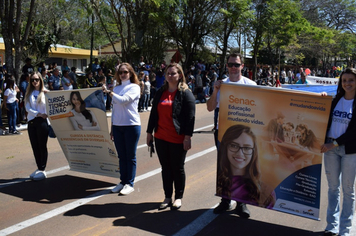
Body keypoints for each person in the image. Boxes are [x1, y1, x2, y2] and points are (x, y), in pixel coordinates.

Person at [207, 52, 256, 217]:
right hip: (224, 134)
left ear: (242, 66)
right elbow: (210, 107)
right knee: (224, 168)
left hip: (244, 135)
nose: (233, 67)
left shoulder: (251, 85)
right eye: (230, 64)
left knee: (243, 167)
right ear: (227, 66)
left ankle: (242, 203)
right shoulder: (221, 85)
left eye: (236, 64)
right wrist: (215, 90)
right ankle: (225, 200)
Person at [146, 63, 195, 211]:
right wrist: (149, 133)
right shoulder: (160, 92)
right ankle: (167, 196)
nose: (170, 76)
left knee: (177, 168)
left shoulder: (186, 93)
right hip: (161, 137)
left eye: (173, 73)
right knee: (165, 168)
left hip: (177, 138)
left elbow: (190, 117)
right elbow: (153, 114)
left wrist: (187, 137)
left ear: (180, 75)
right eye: (168, 73)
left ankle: (178, 197)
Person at [320, 68, 356, 236]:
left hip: (349, 151)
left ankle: (345, 230)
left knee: (348, 190)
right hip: (331, 150)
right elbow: (323, 118)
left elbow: (353, 132)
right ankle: (331, 226)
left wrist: (334, 144)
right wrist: (321, 102)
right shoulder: (335, 101)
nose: (347, 83)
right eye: (344, 80)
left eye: (351, 80)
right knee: (333, 188)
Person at [103, 62, 141, 195]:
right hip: (118, 126)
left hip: (131, 125)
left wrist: (110, 93)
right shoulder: (117, 88)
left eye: (125, 72)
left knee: (130, 156)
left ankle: (129, 183)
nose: (123, 74)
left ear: (131, 73)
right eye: (120, 72)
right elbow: (114, 109)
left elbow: (124, 100)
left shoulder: (134, 87)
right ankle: (122, 181)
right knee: (121, 156)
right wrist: (112, 127)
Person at [217, 124, 275, 208]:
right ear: (225, 147)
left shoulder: (266, 192)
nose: (240, 153)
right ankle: (225, 203)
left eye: (247, 148)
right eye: (234, 145)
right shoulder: (220, 181)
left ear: (253, 152)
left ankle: (241, 206)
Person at [25, 72, 49, 181]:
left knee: (42, 145)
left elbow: (53, 105)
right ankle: (39, 167)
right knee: (35, 146)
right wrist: (37, 113)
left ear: (40, 80)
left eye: (37, 79)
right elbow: (27, 107)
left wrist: (43, 114)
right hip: (32, 121)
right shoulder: (29, 93)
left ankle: (42, 169)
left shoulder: (45, 92)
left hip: (42, 122)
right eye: (33, 80)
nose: (35, 81)